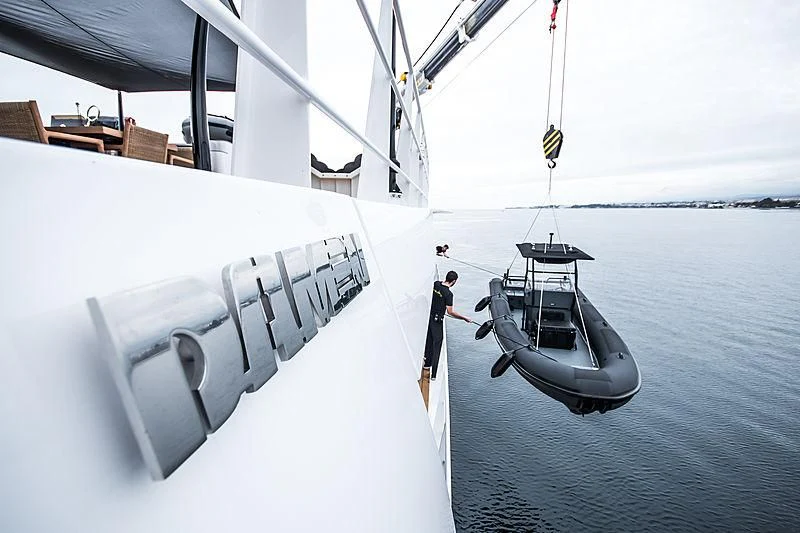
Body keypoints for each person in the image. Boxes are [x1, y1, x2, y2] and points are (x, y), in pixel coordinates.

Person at [423, 270, 470, 381]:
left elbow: (438, 285)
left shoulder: (436, 284)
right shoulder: (448, 294)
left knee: (429, 341)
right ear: (454, 281)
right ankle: (433, 375)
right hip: (437, 321)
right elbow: (450, 312)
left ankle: (426, 364)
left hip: (429, 318)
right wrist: (464, 318)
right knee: (437, 346)